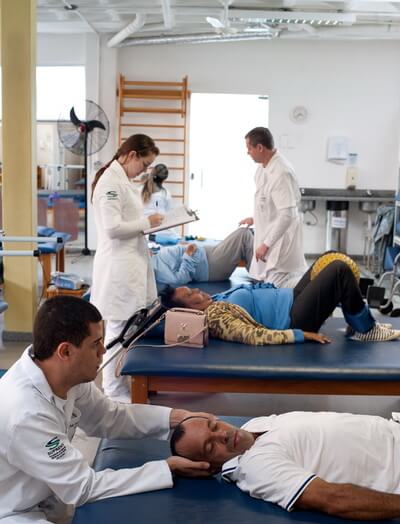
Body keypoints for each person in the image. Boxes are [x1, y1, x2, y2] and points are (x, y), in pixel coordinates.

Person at [0, 296, 210, 524]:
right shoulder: (24, 412)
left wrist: (177, 417)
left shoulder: (67, 377)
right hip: (7, 518)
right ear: (65, 351)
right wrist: (165, 469)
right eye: (96, 344)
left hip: (38, 502)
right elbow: (83, 488)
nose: (103, 351)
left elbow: (110, 417)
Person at [170, 411, 400, 521]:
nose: (223, 435)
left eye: (214, 426)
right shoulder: (256, 468)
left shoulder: (255, 423)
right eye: (211, 446)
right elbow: (332, 499)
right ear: (209, 466)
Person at [160, 253, 400, 344]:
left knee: (328, 259)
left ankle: (354, 321)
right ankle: (366, 329)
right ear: (188, 311)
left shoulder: (215, 300)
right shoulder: (215, 316)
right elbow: (252, 335)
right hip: (294, 319)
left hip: (292, 298)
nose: (197, 291)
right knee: (339, 269)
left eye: (191, 289)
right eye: (190, 295)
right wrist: (301, 335)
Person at [91, 134, 163, 403]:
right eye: (143, 164)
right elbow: (112, 228)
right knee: (118, 330)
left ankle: (123, 386)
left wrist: (146, 226)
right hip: (118, 269)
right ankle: (112, 390)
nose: (144, 171)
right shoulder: (110, 182)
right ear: (132, 155)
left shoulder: (121, 180)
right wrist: (147, 223)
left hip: (130, 265)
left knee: (130, 329)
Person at [240, 126, 307, 288]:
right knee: (265, 281)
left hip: (281, 240)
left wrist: (266, 244)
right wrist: (255, 218)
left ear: (260, 148)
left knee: (280, 284)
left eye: (249, 148)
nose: (247, 152)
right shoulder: (263, 167)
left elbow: (287, 215)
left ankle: (318, 290)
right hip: (270, 233)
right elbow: (269, 203)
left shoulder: (281, 172)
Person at [152, 227, 254, 290]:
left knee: (251, 234)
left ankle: (258, 273)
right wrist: (188, 254)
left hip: (209, 255)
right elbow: (180, 279)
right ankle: (258, 278)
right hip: (211, 265)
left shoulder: (155, 256)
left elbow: (175, 258)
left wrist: (182, 247)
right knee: (244, 234)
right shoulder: (156, 268)